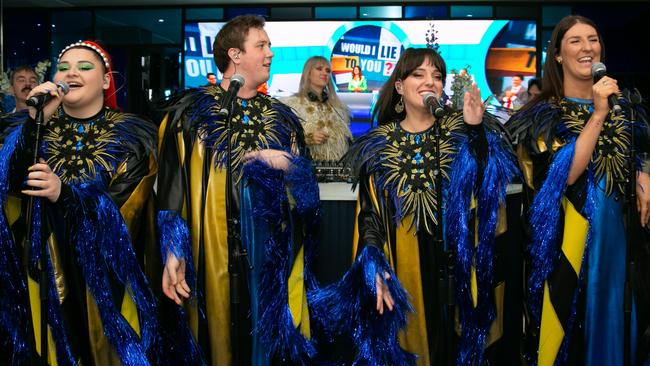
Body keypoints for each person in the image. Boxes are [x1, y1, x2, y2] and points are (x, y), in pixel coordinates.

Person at [310, 47, 518, 365]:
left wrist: (476, 131)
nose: (429, 82)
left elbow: (489, 186)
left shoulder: (460, 132)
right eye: (418, 74)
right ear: (399, 86)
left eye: (436, 76)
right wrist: (373, 266)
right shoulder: (379, 144)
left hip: (459, 270)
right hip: (404, 269)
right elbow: (369, 214)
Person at [157, 14, 320, 366]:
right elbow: (172, 190)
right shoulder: (190, 114)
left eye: (270, 46)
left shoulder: (282, 117)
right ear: (234, 54)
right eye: (261, 45)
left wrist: (287, 165)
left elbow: (308, 192)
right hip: (208, 255)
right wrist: (172, 250)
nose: (270, 53)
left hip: (269, 258)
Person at [0, 41, 161, 365]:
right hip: (43, 269)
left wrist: (66, 194)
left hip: (106, 276)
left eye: (84, 67)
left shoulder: (132, 136)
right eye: (64, 66)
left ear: (105, 80)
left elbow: (126, 206)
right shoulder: (29, 128)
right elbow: (11, 184)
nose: (71, 72)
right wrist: (35, 122)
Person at [508, 15, 650, 365]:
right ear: (557, 54)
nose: (588, 47)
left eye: (593, 39)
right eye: (576, 41)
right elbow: (565, 175)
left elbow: (640, 150)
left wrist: (644, 171)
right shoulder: (541, 115)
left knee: (624, 323)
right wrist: (598, 114)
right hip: (569, 249)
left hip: (623, 244)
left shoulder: (625, 106)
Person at [282, 56, 352, 161]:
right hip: (306, 168)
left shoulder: (339, 109)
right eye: (319, 69)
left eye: (328, 71)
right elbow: (282, 138)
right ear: (308, 73)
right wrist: (307, 138)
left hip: (337, 170)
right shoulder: (292, 105)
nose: (324, 73)